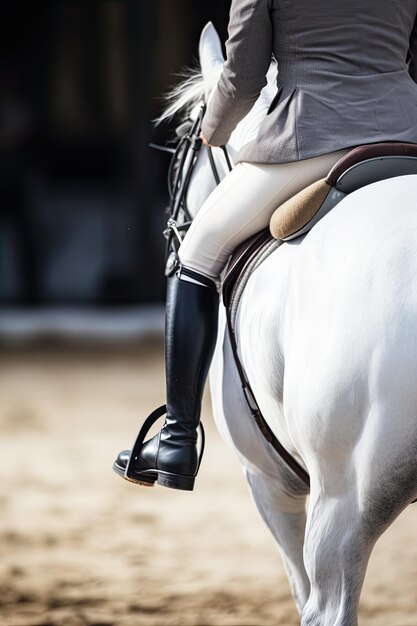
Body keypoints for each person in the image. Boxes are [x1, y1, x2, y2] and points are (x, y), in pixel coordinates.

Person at [113, 0, 417, 491]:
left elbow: (242, 79)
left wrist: (213, 131)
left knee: (197, 252)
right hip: (409, 135)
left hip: (314, 133)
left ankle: (176, 438)